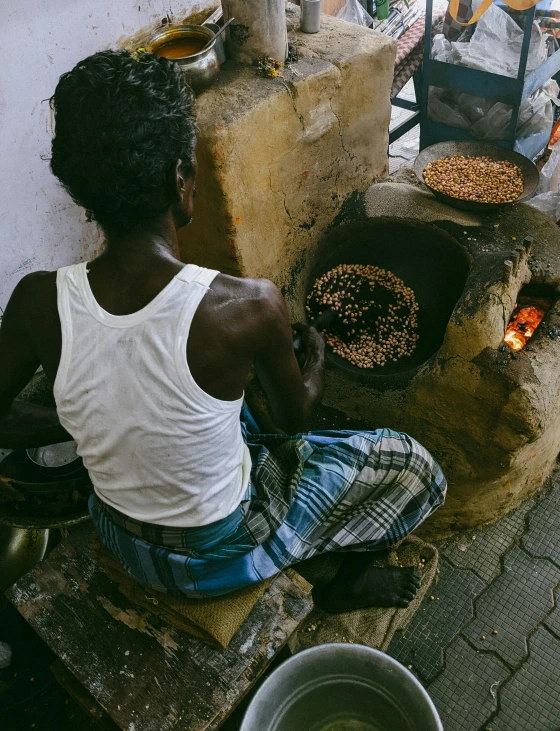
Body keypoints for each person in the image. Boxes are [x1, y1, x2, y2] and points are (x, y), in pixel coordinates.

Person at [0, 50, 446, 611]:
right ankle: (336, 580)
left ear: (78, 189)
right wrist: (317, 358)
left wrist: (91, 421)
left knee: (232, 415)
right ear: (181, 180)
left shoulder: (36, 302)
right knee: (410, 462)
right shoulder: (247, 306)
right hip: (220, 554)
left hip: (124, 538)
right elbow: (295, 421)